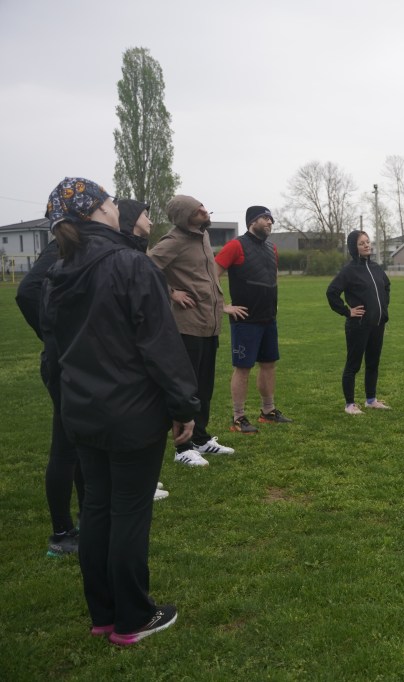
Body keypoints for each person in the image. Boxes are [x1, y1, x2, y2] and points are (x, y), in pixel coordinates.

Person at [40, 177, 199, 645]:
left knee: (97, 507)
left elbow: (55, 350)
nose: (116, 206)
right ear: (96, 211)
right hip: (131, 412)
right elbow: (160, 345)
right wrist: (183, 406)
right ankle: (132, 618)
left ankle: (104, 614)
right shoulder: (130, 264)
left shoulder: (60, 270)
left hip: (84, 410)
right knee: (128, 509)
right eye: (110, 201)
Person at [150, 195, 241, 462]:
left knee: (204, 387)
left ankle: (200, 439)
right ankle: (183, 448)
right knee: (185, 390)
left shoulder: (202, 236)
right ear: (184, 215)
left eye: (202, 206)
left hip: (209, 324)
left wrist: (221, 306)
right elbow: (147, 267)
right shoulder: (173, 241)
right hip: (186, 325)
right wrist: (172, 292)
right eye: (198, 209)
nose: (204, 210)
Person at [15, 236, 84, 556]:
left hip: (78, 360)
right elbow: (27, 291)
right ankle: (61, 533)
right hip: (64, 362)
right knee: (65, 446)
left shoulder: (86, 244)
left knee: (82, 442)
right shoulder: (64, 242)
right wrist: (54, 334)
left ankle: (87, 517)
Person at [214, 206, 292, 432]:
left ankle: (268, 412)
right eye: (265, 218)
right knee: (243, 368)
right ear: (252, 221)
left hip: (268, 318)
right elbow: (211, 273)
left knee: (268, 365)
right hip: (245, 320)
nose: (270, 222)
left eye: (271, 219)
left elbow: (272, 277)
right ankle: (238, 418)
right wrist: (223, 306)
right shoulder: (236, 245)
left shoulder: (271, 248)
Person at [117, 199, 171, 501]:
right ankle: (136, 487)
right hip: (128, 354)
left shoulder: (137, 252)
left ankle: (142, 481)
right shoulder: (124, 257)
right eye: (144, 215)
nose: (150, 221)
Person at [326, 230, 392, 415]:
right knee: (353, 365)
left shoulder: (376, 267)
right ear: (354, 247)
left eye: (368, 242)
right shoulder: (349, 270)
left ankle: (371, 400)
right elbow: (332, 292)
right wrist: (348, 311)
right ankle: (350, 405)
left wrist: (383, 307)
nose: (366, 245)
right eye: (362, 243)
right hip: (358, 325)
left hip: (378, 324)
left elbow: (386, 286)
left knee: (373, 363)